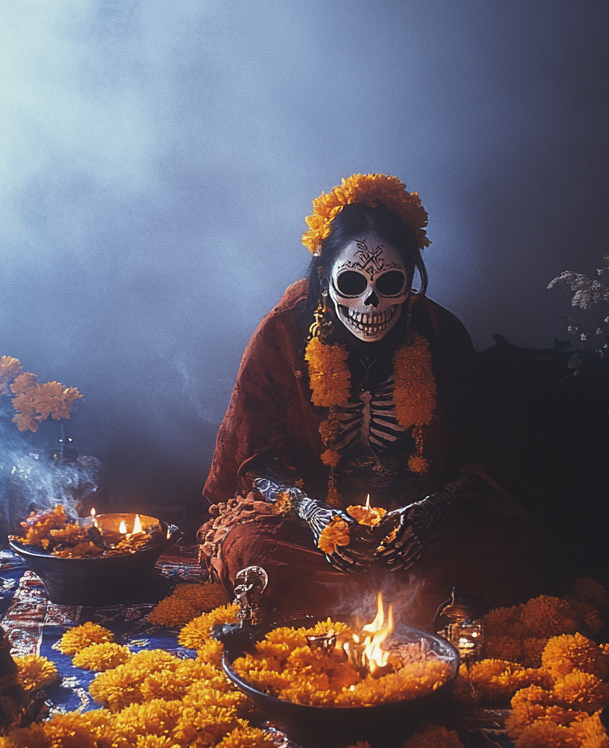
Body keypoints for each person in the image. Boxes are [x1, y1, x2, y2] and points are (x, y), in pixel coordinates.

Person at [198, 173, 543, 627]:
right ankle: (412, 604)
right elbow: (254, 458)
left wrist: (427, 514)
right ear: (325, 276)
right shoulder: (281, 335)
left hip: (418, 533)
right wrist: (314, 515)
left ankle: (357, 603)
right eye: (352, 283)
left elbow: (482, 455)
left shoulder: (440, 335)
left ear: (412, 281)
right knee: (253, 552)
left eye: (390, 283)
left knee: (511, 547)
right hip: (309, 531)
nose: (371, 303)